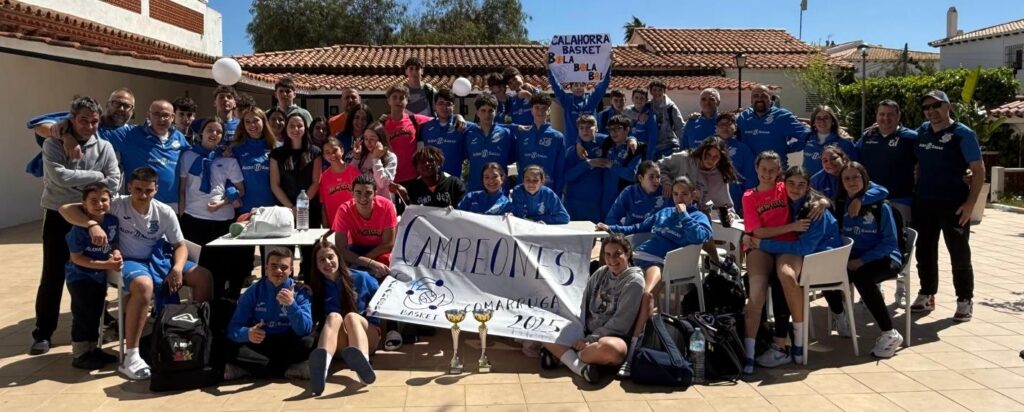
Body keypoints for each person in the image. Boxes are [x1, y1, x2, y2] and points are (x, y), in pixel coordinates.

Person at [59, 167, 213, 380]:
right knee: (143, 285)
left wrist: (177, 269)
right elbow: (65, 209)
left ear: (156, 189)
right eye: (138, 189)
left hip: (159, 258)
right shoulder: (115, 204)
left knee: (203, 276)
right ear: (129, 187)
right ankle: (132, 355)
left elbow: (180, 245)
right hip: (129, 261)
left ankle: (198, 336)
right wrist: (92, 224)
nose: (143, 195)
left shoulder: (164, 211)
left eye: (148, 190)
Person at [31, 96, 121, 355]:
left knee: (92, 272)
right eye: (83, 120)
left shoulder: (104, 147)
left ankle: (96, 324)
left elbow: (114, 182)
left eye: (94, 121)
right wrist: (97, 177)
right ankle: (43, 332)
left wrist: (89, 183)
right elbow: (59, 177)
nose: (89, 126)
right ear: (72, 119)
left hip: (93, 217)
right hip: (58, 215)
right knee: (53, 274)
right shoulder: (53, 144)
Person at [599, 176, 713, 376]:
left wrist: (684, 215)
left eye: (684, 194)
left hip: (663, 263)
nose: (679, 198)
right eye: (676, 194)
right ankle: (602, 336)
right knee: (603, 280)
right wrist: (611, 229)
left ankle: (632, 351)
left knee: (646, 295)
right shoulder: (664, 212)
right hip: (638, 256)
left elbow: (699, 238)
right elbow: (638, 228)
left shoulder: (698, 217)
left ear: (693, 195)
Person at [745, 165, 842, 369]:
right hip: (805, 255)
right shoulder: (787, 200)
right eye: (791, 183)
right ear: (783, 184)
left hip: (822, 261)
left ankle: (792, 341)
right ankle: (774, 340)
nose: (795, 188)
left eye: (801, 185)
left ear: (807, 187)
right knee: (765, 278)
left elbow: (804, 247)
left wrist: (763, 244)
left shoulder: (813, 210)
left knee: (784, 276)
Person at [910, 90, 985, 322]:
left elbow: (978, 170)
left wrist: (970, 204)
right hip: (924, 203)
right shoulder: (922, 132)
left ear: (948, 106)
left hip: (954, 205)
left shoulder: (963, 134)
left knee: (959, 253)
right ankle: (927, 293)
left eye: (936, 105)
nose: (931, 111)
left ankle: (964, 299)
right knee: (924, 251)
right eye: (927, 107)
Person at [820, 162, 905, 358]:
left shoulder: (881, 206)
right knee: (823, 273)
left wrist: (862, 261)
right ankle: (840, 317)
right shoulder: (841, 204)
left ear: (864, 179)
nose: (851, 182)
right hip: (852, 257)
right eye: (846, 178)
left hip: (884, 257)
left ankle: (889, 333)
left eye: (855, 177)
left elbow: (889, 243)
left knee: (863, 278)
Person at [538, 235, 644, 383]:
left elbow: (621, 324)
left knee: (613, 349)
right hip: (587, 332)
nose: (612, 259)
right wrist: (577, 329)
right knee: (541, 326)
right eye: (607, 254)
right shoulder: (601, 272)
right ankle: (581, 367)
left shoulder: (634, 281)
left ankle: (566, 357)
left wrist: (589, 340)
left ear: (627, 253)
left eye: (617, 254)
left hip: (611, 337)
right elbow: (583, 302)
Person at [739, 151, 798, 374]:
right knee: (757, 291)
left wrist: (821, 201)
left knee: (786, 277)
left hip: (785, 248)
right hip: (761, 247)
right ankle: (749, 352)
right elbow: (758, 232)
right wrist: (791, 227)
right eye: (763, 169)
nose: (767, 173)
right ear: (756, 169)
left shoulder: (785, 187)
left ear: (779, 171)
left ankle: (786, 343)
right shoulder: (749, 196)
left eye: (772, 170)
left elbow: (811, 193)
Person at [178, 117, 246, 301]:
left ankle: (217, 309)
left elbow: (240, 190)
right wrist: (182, 216)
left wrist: (222, 203)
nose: (214, 134)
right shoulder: (188, 156)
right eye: (210, 130)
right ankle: (200, 308)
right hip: (193, 219)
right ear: (202, 132)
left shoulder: (228, 160)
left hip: (222, 221)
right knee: (198, 269)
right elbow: (182, 189)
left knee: (221, 269)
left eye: (219, 132)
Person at [225, 248, 314, 380]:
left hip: (288, 341)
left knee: (310, 342)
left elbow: (304, 329)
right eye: (273, 266)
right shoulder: (253, 291)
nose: (278, 271)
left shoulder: (300, 292)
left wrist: (292, 305)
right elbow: (233, 328)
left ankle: (251, 370)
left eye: (284, 267)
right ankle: (286, 370)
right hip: (261, 341)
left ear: (291, 270)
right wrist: (248, 333)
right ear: (266, 269)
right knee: (229, 346)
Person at [307, 239, 381, 394]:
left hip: (367, 336)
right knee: (334, 316)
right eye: (322, 260)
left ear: (338, 257)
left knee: (351, 317)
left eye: (330, 257)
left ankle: (363, 367)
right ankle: (322, 368)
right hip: (340, 344)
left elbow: (382, 299)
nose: (327, 262)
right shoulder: (316, 287)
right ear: (316, 265)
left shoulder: (362, 278)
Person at [63, 183, 121, 370]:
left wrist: (116, 253)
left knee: (96, 313)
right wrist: (106, 265)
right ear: (84, 204)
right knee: (83, 314)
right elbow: (77, 258)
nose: (99, 204)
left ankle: (93, 348)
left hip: (98, 277)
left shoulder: (112, 221)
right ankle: (80, 354)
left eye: (103, 200)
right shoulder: (79, 228)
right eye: (93, 201)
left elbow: (114, 244)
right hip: (80, 278)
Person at [857, 100, 917, 224]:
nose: (885, 118)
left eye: (890, 114)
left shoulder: (911, 138)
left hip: (901, 200)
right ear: (876, 116)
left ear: (898, 116)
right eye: (882, 114)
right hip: (871, 198)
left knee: (901, 234)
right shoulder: (867, 136)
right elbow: (851, 157)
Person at [331, 174, 398, 278]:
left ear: (375, 194)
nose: (363, 197)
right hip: (356, 248)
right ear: (352, 193)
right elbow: (341, 248)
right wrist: (369, 263)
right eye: (358, 192)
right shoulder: (344, 210)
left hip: (380, 250)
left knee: (386, 263)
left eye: (368, 193)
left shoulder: (387, 206)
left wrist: (365, 261)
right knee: (340, 264)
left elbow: (388, 244)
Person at [737, 85, 808, 168]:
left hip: (777, 171)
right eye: (756, 96)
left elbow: (806, 133)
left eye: (764, 96)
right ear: (751, 100)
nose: (759, 99)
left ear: (770, 99)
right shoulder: (743, 117)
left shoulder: (783, 116)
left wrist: (788, 147)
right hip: (750, 172)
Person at [548, 62, 611, 149]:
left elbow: (603, 85)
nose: (578, 88)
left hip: (590, 144)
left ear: (586, 87)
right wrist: (548, 68)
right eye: (576, 85)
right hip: (571, 145)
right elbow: (555, 86)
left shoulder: (592, 100)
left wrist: (609, 64)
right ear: (571, 88)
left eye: (581, 85)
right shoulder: (567, 101)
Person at [513, 93, 566, 192]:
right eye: (537, 108)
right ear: (531, 110)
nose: (540, 111)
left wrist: (557, 193)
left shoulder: (557, 137)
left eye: (544, 108)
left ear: (549, 111)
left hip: (547, 189)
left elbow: (560, 169)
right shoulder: (522, 134)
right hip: (524, 189)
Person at [383, 83, 433, 183]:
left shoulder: (415, 120)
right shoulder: (382, 124)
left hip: (414, 178)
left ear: (407, 101)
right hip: (391, 178)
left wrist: (458, 117)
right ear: (388, 100)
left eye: (402, 98)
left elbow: (439, 120)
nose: (398, 101)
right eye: (394, 97)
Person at [464, 93, 514, 192]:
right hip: (475, 189)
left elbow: (512, 158)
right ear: (477, 112)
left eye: (491, 110)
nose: (487, 114)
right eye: (483, 110)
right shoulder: (469, 134)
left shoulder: (506, 134)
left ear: (496, 111)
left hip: (499, 190)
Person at [599, 115, 645, 218]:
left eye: (618, 128)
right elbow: (590, 134)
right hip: (605, 200)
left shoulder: (634, 149)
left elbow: (633, 175)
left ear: (627, 129)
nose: (613, 132)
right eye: (611, 129)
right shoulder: (607, 143)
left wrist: (612, 166)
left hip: (623, 199)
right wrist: (578, 142)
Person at [563, 115, 607, 222]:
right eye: (581, 128)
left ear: (596, 128)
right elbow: (567, 176)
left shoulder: (605, 143)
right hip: (575, 201)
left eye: (588, 127)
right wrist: (588, 164)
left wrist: (631, 139)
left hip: (597, 201)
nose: (584, 131)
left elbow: (621, 139)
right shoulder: (572, 151)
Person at [395, 146, 466, 210]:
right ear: (417, 167)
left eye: (431, 161)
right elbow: (408, 213)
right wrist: (405, 197)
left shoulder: (454, 184)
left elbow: (464, 210)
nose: (427, 164)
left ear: (439, 163)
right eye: (422, 162)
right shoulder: (412, 189)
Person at [602, 161, 669, 228]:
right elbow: (611, 219)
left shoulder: (665, 192)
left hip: (656, 233)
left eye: (658, 177)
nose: (656, 181)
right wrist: (621, 232)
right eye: (651, 177)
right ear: (640, 178)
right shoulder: (629, 192)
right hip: (631, 233)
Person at [715, 113, 757, 216]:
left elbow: (750, 178)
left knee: (730, 224)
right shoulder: (709, 147)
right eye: (721, 125)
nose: (725, 127)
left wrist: (746, 203)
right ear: (716, 128)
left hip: (735, 201)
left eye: (729, 124)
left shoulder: (743, 149)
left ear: (735, 127)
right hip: (713, 201)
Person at [420, 89, 467, 178]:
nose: (444, 107)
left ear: (453, 107)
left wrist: (459, 116)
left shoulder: (462, 125)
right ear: (435, 106)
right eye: (440, 103)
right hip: (432, 179)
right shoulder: (426, 127)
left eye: (448, 104)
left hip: (454, 179)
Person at [801, 105, 858, 176]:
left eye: (826, 118)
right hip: (810, 182)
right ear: (814, 122)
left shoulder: (844, 141)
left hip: (835, 182)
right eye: (818, 118)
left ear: (832, 121)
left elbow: (854, 166)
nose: (822, 121)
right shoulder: (807, 137)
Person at [319, 137, 360, 228]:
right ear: (324, 156)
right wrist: (325, 229)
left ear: (342, 151)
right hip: (334, 226)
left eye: (335, 150)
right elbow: (324, 206)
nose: (332, 155)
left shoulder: (354, 172)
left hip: (354, 226)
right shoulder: (323, 177)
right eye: (328, 152)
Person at [354, 122, 398, 199]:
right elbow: (352, 178)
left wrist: (376, 158)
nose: (368, 142)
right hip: (364, 201)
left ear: (380, 139)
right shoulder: (363, 154)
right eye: (366, 138)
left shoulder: (390, 157)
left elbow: (382, 183)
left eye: (372, 139)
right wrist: (356, 158)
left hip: (382, 201)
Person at [647, 79, 685, 159]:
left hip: (669, 145)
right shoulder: (648, 106)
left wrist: (684, 145)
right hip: (653, 147)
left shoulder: (671, 107)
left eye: (660, 90)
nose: (657, 92)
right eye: (654, 90)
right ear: (650, 91)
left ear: (664, 91)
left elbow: (680, 127)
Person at [623, 88, 659, 161]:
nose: (639, 100)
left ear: (646, 100)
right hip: (628, 149)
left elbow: (652, 139)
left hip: (643, 152)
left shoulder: (650, 116)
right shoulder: (627, 112)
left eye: (642, 98)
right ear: (632, 99)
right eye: (636, 97)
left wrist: (648, 158)